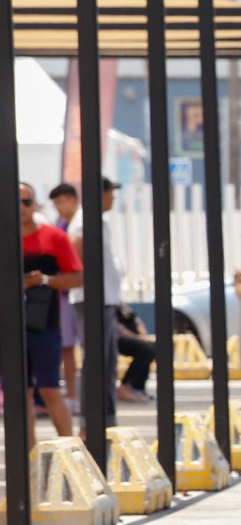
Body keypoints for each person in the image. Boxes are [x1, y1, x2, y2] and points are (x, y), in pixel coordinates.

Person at [19, 182, 84, 442]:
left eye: (27, 201)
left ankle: (70, 452)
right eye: (16, 201)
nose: (22, 207)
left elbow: (77, 277)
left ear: (35, 205)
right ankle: (27, 459)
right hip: (10, 327)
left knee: (49, 389)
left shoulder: (54, 237)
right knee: (18, 394)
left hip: (45, 325)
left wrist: (43, 280)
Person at [66, 177, 123, 426]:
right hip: (93, 300)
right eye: (111, 192)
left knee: (107, 360)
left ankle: (105, 417)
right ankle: (92, 419)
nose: (114, 198)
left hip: (103, 299)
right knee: (97, 360)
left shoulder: (96, 219)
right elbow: (76, 247)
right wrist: (87, 279)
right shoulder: (84, 220)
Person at [47, 182, 81, 412]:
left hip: (70, 292)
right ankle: (72, 393)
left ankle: (74, 394)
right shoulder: (61, 226)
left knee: (70, 346)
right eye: (55, 203)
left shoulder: (75, 226)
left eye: (61, 201)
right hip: (64, 294)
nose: (58, 207)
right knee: (66, 347)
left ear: (72, 199)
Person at [113, 304, 156, 401]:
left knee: (151, 348)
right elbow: (115, 328)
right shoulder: (107, 303)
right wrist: (134, 336)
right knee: (146, 349)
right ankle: (125, 386)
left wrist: (140, 331)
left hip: (128, 334)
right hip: (116, 337)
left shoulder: (119, 303)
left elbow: (133, 317)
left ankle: (138, 388)